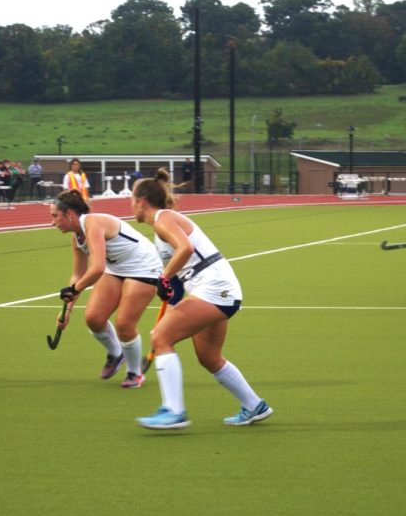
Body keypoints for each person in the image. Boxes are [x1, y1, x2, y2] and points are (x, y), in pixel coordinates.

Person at [130, 169, 272, 430]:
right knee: (209, 357)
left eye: (132, 201)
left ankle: (174, 411)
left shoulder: (163, 219)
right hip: (210, 289)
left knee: (161, 337)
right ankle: (254, 405)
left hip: (214, 288)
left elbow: (186, 249)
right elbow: (175, 282)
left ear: (142, 201)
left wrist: (164, 279)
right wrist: (169, 292)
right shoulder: (161, 225)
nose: (131, 207)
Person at [49, 189, 161, 388]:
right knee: (94, 318)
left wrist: (74, 289)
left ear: (70, 214)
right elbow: (78, 274)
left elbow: (98, 267)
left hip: (143, 266)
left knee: (124, 325)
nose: (52, 222)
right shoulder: (76, 237)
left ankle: (134, 373)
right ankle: (117, 354)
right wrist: (67, 310)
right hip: (116, 267)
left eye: (55, 216)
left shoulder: (93, 224)